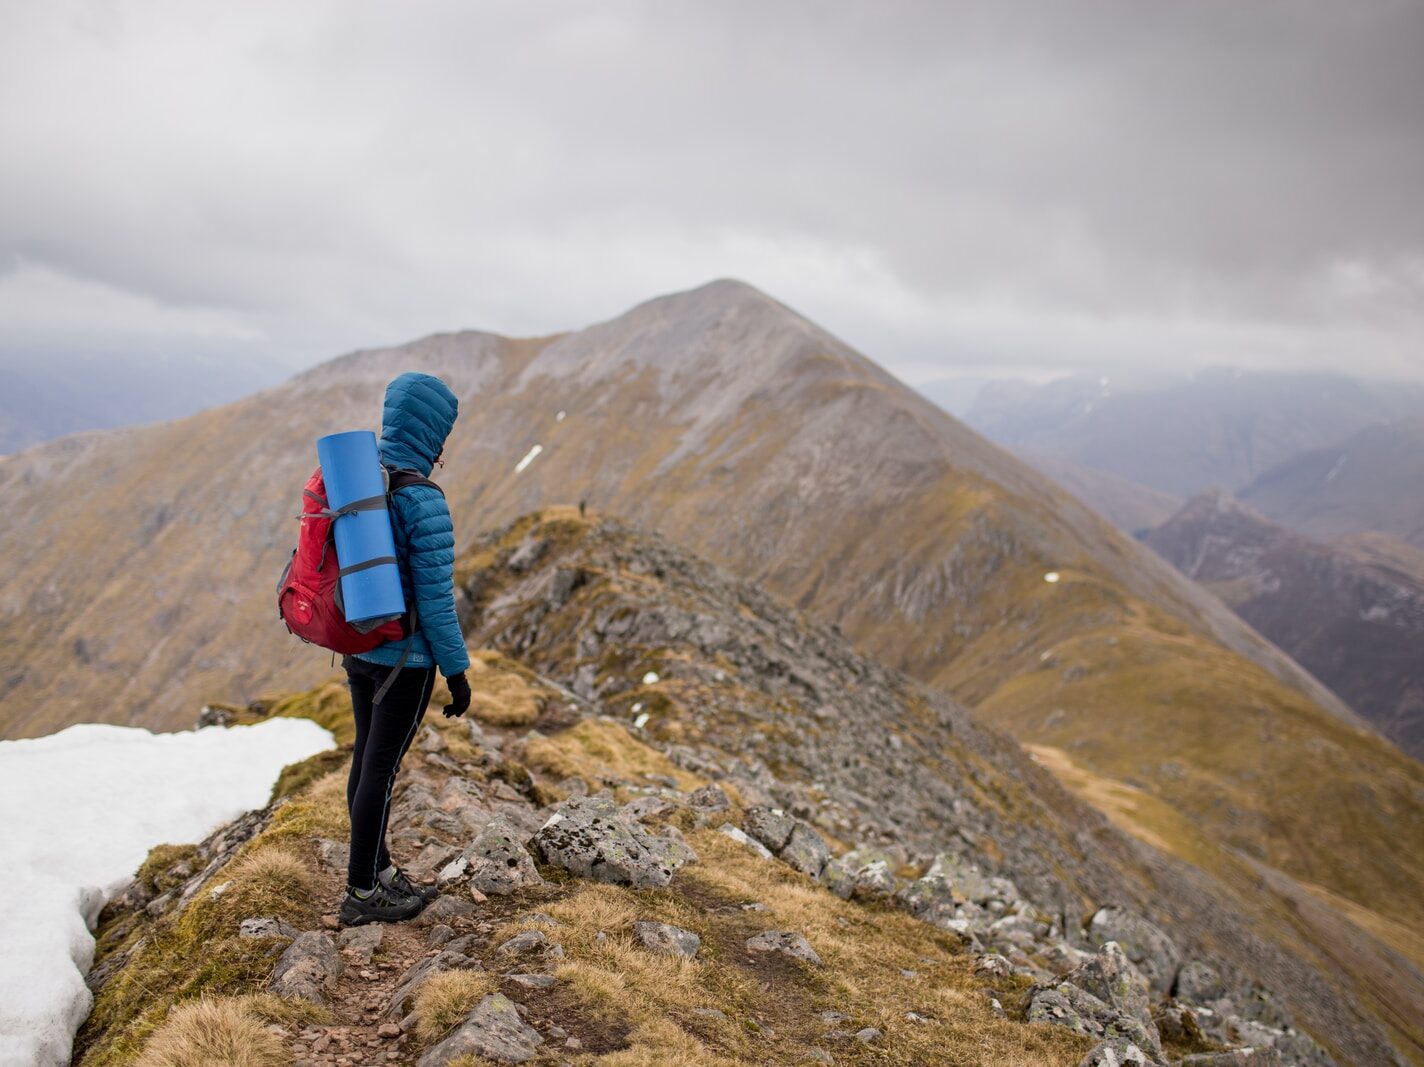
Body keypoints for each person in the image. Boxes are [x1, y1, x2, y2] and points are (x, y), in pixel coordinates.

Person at [339, 372, 472, 926]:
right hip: (406, 662)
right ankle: (363, 893)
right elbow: (438, 602)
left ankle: (380, 869)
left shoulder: (358, 483)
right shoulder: (422, 499)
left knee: (366, 761)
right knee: (381, 770)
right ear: (433, 434)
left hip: (359, 648)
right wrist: (457, 672)